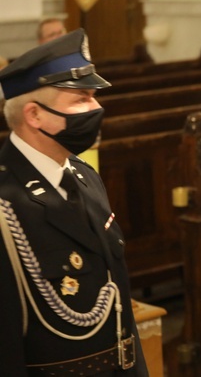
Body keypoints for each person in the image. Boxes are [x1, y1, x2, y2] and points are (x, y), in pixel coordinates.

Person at [0, 29, 148, 375]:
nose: (96, 108)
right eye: (81, 99)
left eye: (93, 97)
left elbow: (119, 306)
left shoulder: (83, 175)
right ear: (34, 115)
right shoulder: (6, 202)